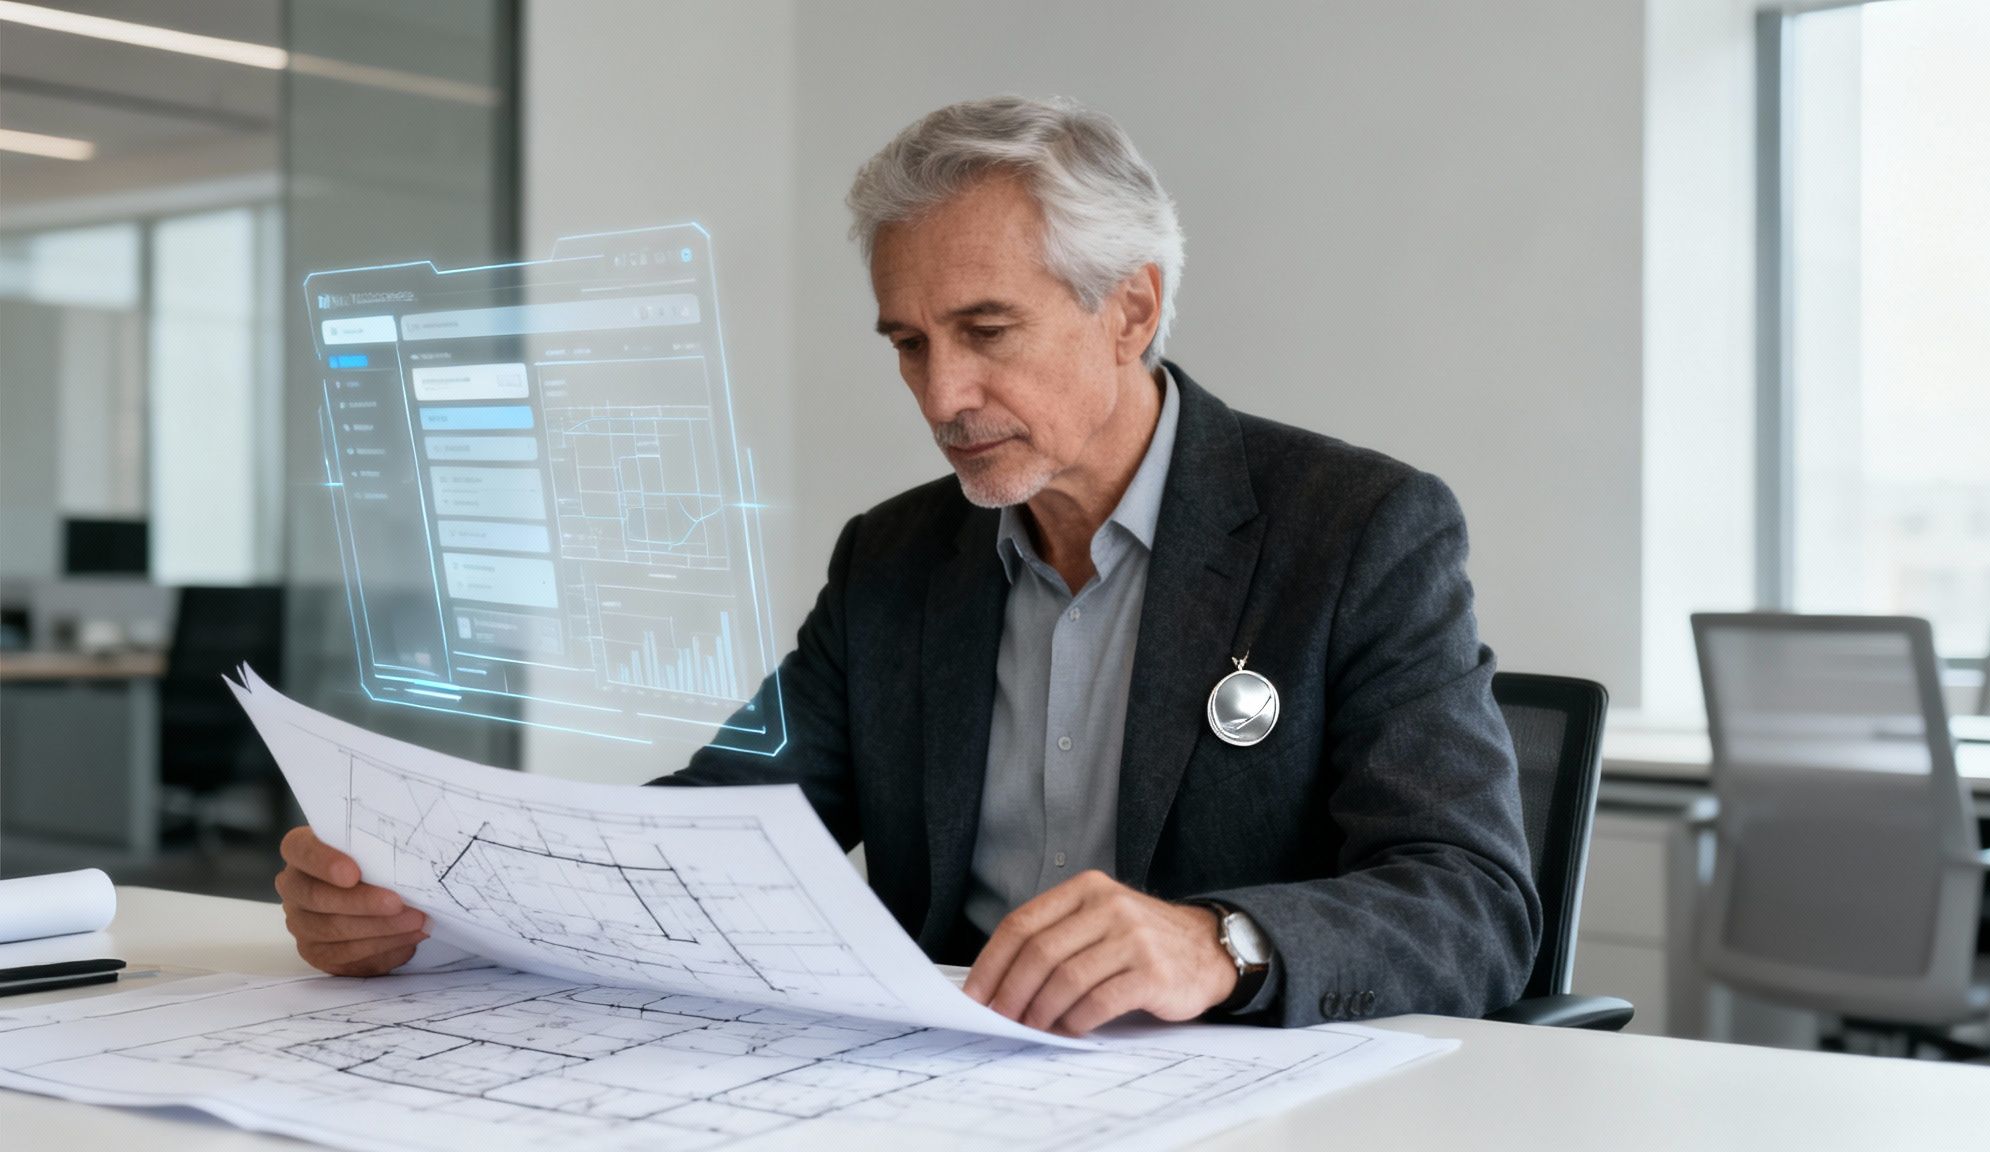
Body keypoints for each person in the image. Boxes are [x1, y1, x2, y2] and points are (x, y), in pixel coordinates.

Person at [276, 95, 1539, 1036]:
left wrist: (1219, 943)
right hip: (942, 1084)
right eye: (907, 343)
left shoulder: (1359, 527)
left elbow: (1470, 902)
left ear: (1132, 311)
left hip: (1226, 1096)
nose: (944, 395)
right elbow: (721, 821)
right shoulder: (894, 558)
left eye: (986, 332)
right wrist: (441, 895)